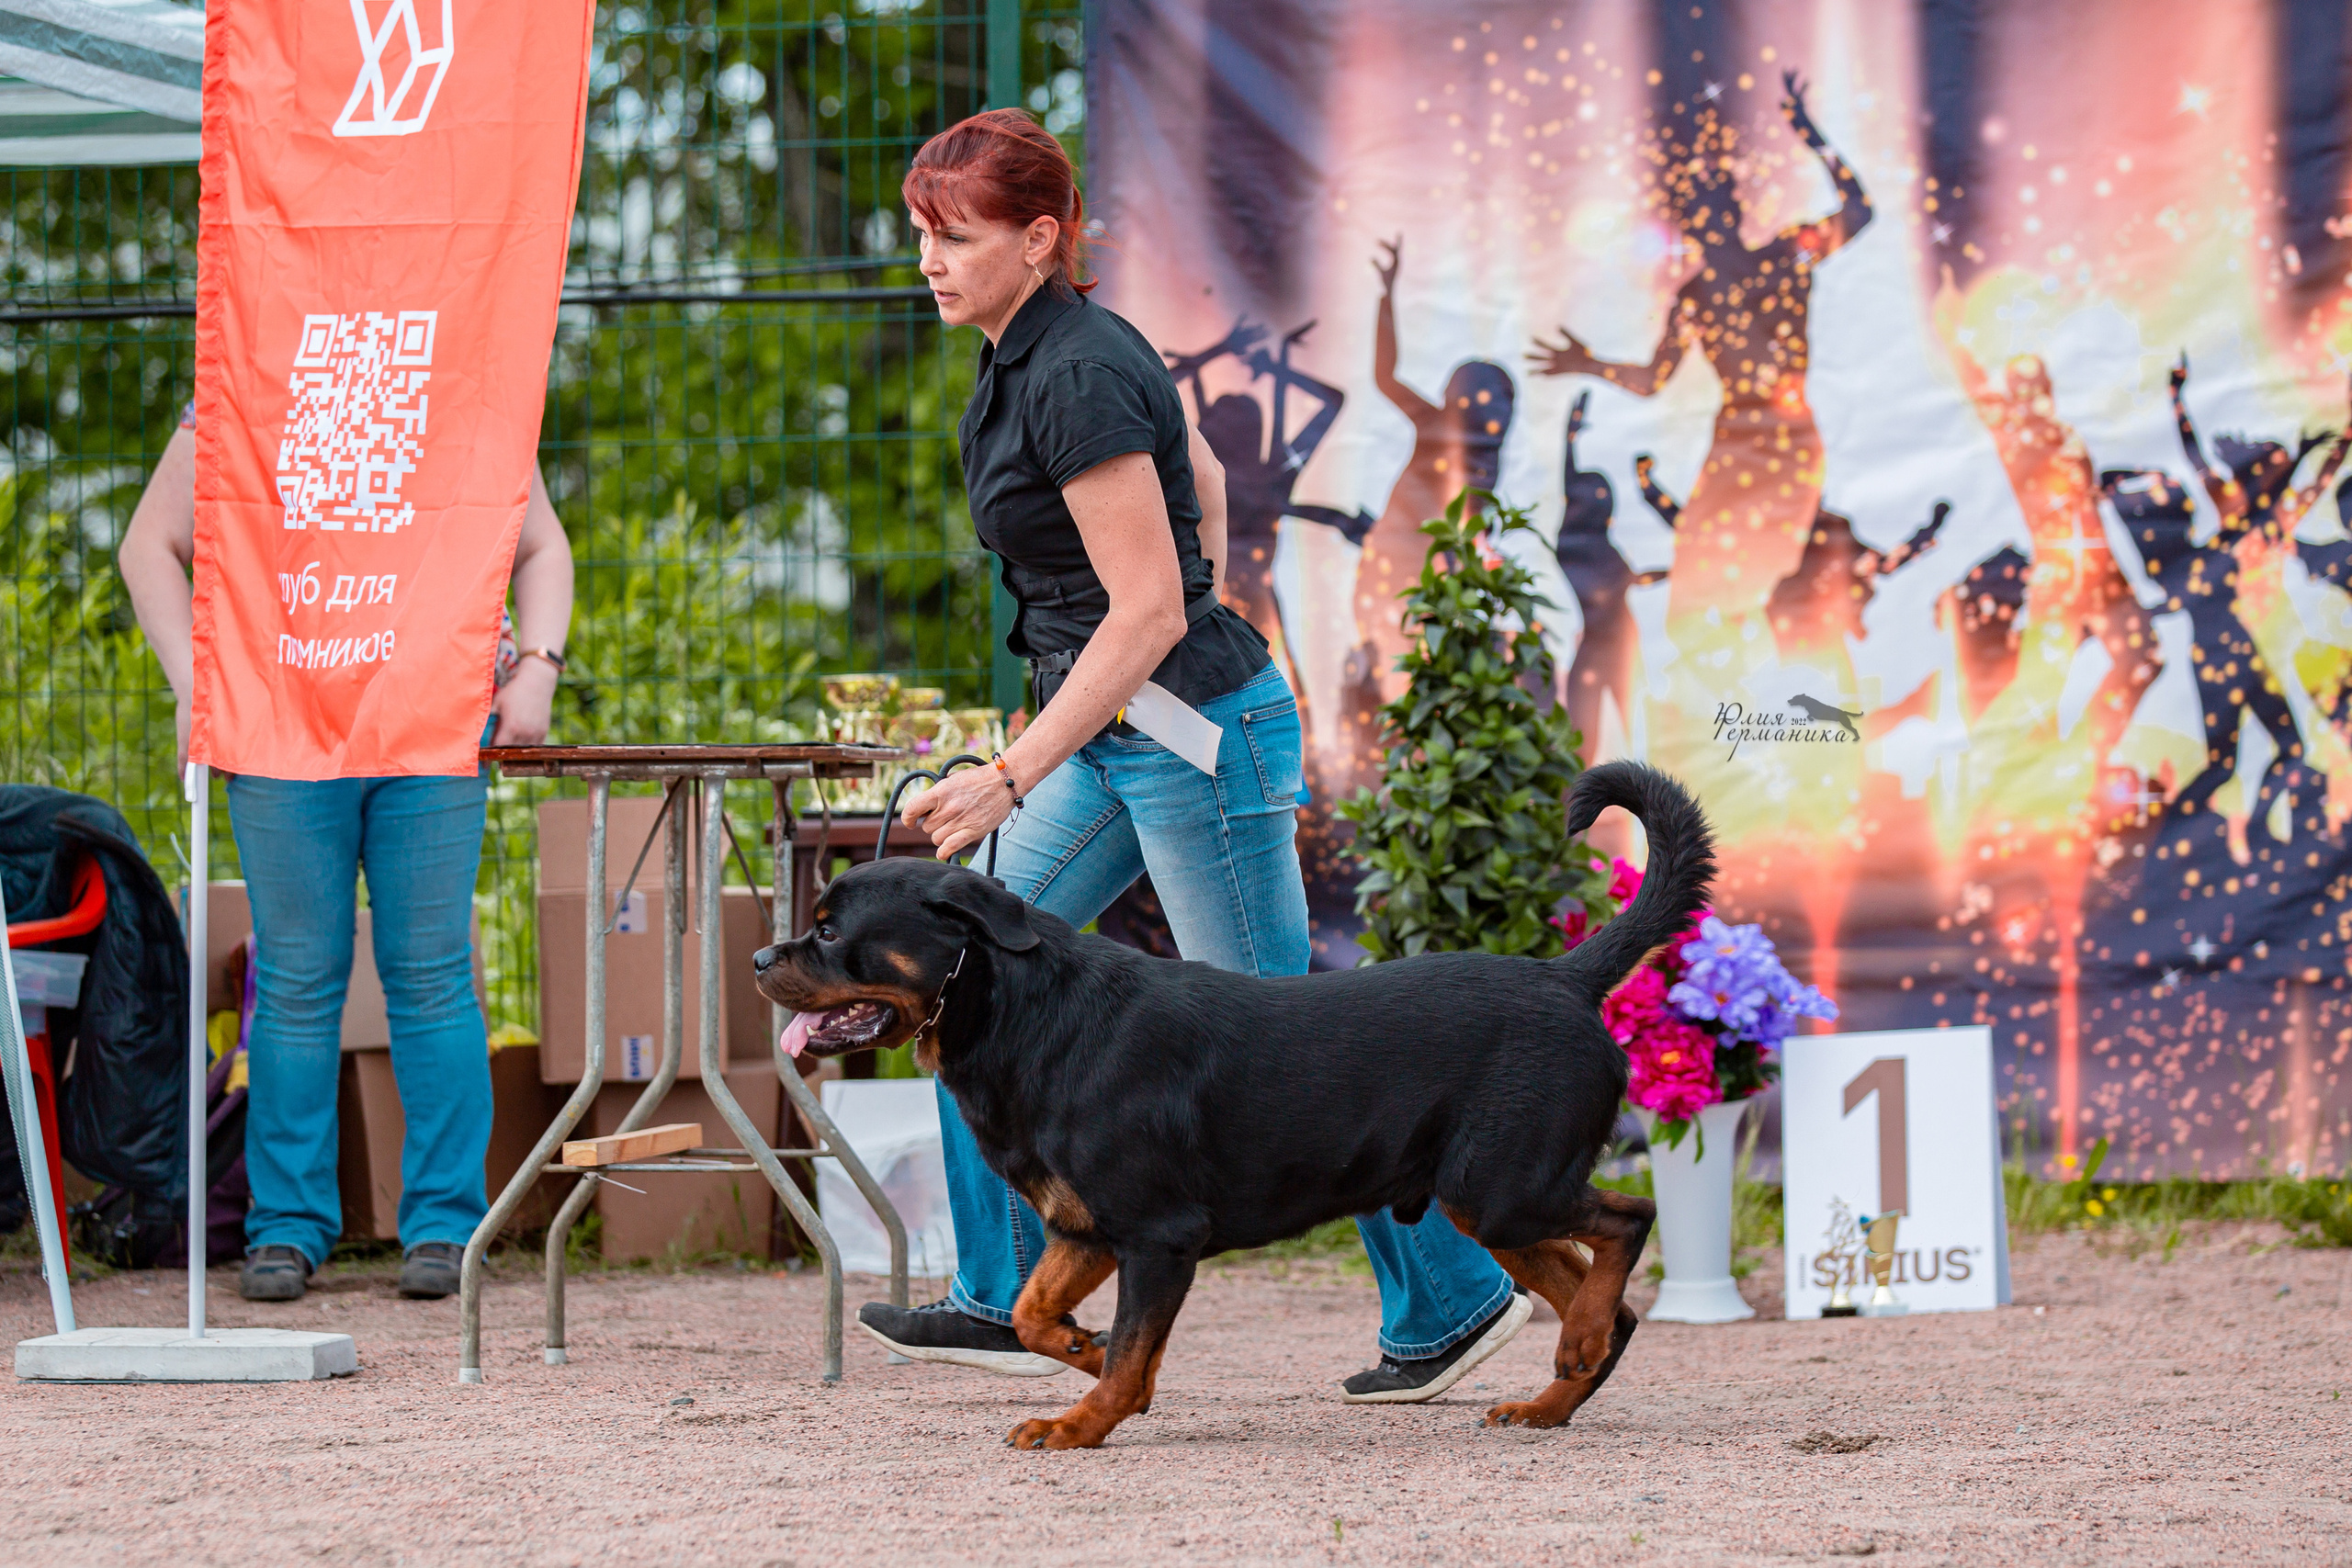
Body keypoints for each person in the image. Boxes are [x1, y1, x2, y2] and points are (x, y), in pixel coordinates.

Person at [854, 107, 1531, 1404]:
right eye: (920, 235)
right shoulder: (1020, 352)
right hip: (1112, 733)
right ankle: (1006, 1296)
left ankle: (1452, 1294)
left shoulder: (1078, 369)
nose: (928, 259)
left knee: (1284, 1037)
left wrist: (1008, 771)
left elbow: (1154, 606)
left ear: (1041, 238)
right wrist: (1087, 701)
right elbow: (1202, 478)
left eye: (956, 236)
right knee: (961, 963)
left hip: (1190, 741)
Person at [117, 405, 573, 1302]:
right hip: (278, 722)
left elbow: (539, 543)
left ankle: (443, 1227)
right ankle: (285, 1231)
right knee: (294, 976)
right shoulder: (245, 370)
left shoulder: (459, 364)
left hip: (434, 722)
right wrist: (192, 684)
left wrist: (539, 666)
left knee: (431, 973)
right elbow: (149, 545)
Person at [1528, 71, 1870, 624]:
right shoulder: (1697, 297)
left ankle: (1780, 669)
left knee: (1769, 564)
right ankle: (1718, 684)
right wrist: (1588, 363)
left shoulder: (1785, 257)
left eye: (1716, 205)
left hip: (1785, 436)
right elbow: (1652, 381)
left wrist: (1811, 133)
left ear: (1731, 214)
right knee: (1701, 562)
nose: (1707, 220)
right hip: (1739, 436)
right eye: (1697, 211)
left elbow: (1859, 212)